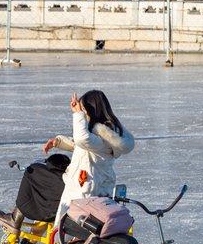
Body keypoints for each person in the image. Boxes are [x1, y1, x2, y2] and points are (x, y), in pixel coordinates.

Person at [43, 90, 135, 227]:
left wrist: (77, 114)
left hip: (85, 188)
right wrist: (58, 142)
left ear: (92, 110)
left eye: (84, 109)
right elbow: (84, 146)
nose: (83, 113)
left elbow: (83, 139)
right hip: (97, 185)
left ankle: (18, 222)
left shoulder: (100, 134)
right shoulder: (109, 134)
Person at [0, 154, 71, 244]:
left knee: (32, 174)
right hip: (62, 211)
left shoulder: (38, 170)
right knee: (47, 209)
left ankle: (15, 219)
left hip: (47, 211)